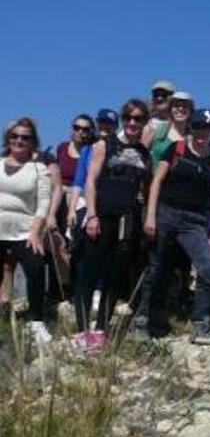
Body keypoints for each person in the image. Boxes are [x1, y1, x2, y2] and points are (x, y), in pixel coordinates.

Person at [136, 109, 210, 343]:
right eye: (197, 127)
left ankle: (200, 323)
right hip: (166, 213)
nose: (201, 133)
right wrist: (151, 216)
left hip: (195, 221)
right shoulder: (176, 149)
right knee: (156, 268)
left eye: (206, 128)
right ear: (191, 129)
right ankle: (143, 320)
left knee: (208, 268)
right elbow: (157, 181)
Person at [75, 99, 152, 349]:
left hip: (127, 220)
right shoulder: (103, 145)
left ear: (144, 122)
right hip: (102, 215)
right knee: (90, 272)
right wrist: (92, 215)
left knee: (114, 275)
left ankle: (101, 330)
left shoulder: (144, 153)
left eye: (138, 118)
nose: (132, 122)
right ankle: (81, 329)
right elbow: (90, 181)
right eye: (129, 117)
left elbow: (146, 188)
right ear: (123, 119)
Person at [0, 118, 51, 344]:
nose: (19, 140)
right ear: (8, 139)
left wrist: (35, 232)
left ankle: (36, 322)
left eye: (25, 137)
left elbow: (43, 203)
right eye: (15, 136)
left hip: (24, 229)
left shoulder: (38, 168)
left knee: (36, 267)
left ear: (33, 143)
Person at [145, 91, 193, 171]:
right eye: (176, 106)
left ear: (191, 111)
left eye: (185, 106)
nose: (180, 109)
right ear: (170, 109)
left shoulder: (193, 138)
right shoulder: (155, 129)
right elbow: (141, 156)